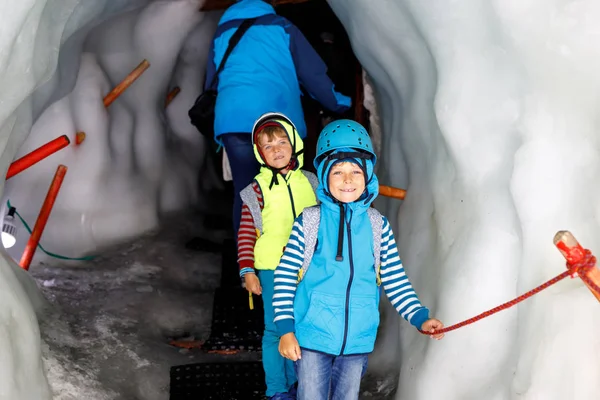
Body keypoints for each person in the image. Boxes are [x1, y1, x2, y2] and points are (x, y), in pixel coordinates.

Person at [272, 120, 445, 400]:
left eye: (355, 171)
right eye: (338, 172)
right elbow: (284, 276)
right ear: (325, 176)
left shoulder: (378, 226)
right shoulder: (310, 222)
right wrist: (285, 329)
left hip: (357, 343)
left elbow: (395, 279)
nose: (348, 179)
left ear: (367, 176)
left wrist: (420, 318)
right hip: (312, 338)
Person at [205, 0, 351, 240]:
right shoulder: (282, 27)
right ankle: (287, 263)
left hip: (233, 124)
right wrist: (339, 103)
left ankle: (249, 269)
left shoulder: (222, 32)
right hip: (277, 122)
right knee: (287, 191)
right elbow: (312, 74)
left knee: (246, 195)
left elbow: (211, 83)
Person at [238, 112, 319, 399]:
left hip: (309, 266)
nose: (277, 150)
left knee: (302, 326)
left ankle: (300, 383)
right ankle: (278, 389)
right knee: (275, 329)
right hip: (272, 266)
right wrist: (247, 271)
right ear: (260, 153)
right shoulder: (255, 191)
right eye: (268, 146)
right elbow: (247, 233)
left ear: (294, 143)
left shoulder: (313, 182)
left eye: (282, 142)